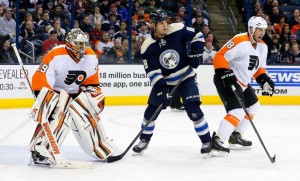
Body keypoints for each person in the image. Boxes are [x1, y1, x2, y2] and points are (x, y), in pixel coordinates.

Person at [28, 28, 117, 167]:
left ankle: (101, 146)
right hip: (56, 94)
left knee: (86, 116)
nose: (81, 47)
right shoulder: (56, 54)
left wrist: (94, 98)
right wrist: (44, 99)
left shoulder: (91, 56)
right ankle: (40, 150)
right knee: (60, 116)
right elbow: (41, 78)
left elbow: (92, 82)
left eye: (83, 43)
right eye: (78, 43)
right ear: (69, 43)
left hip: (76, 93)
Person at [132, 9, 212, 157]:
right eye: (161, 23)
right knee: (151, 111)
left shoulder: (177, 28)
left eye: (165, 21)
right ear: (153, 25)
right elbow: (153, 72)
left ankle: (207, 142)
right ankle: (144, 140)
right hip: (165, 81)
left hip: (185, 76)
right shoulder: (147, 46)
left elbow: (198, 35)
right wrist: (162, 90)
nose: (165, 25)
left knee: (193, 109)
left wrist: (197, 51)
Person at [211, 16, 275, 156]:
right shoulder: (240, 40)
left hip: (243, 83)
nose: (262, 33)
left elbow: (259, 69)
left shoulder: (263, 46)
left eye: (264, 30)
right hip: (226, 80)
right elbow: (220, 56)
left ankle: (235, 137)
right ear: (251, 29)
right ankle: (217, 142)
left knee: (253, 106)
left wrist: (264, 80)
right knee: (238, 111)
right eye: (259, 29)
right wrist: (225, 74)